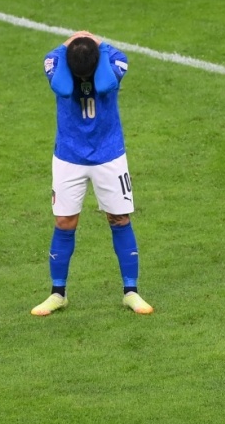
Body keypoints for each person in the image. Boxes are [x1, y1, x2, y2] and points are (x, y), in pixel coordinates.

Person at [32, 31, 153, 316]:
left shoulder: (114, 59)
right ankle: (57, 294)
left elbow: (104, 83)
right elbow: (62, 87)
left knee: (119, 218)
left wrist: (96, 45)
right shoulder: (57, 60)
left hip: (109, 155)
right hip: (69, 157)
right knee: (64, 221)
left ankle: (131, 292)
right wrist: (78, 45)